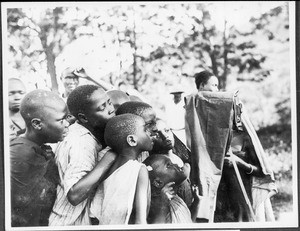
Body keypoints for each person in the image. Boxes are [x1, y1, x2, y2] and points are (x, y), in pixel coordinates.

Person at [185, 70, 277, 222]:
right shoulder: (195, 122)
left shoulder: (242, 136)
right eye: (213, 85)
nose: (216, 90)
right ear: (201, 86)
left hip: (241, 198)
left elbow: (261, 171)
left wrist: (240, 162)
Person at [49, 85, 117, 226]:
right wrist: (110, 156)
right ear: (83, 118)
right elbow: (74, 195)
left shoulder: (85, 134)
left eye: (109, 103)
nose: (111, 109)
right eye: (102, 108)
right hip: (66, 224)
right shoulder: (82, 142)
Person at [10, 89, 70, 227]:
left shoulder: (39, 148)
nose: (67, 124)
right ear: (37, 124)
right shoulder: (19, 155)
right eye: (61, 120)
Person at [90, 114, 153, 224]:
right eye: (144, 130)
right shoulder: (139, 170)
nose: (150, 133)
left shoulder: (108, 167)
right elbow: (140, 222)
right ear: (132, 140)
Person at [143, 154, 200, 223]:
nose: (175, 164)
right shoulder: (156, 205)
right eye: (168, 165)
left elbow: (188, 224)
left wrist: (197, 202)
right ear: (158, 182)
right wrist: (163, 206)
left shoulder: (177, 200)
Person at [149, 118, 193, 208]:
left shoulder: (182, 154)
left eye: (167, 130)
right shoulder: (158, 168)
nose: (165, 136)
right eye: (157, 134)